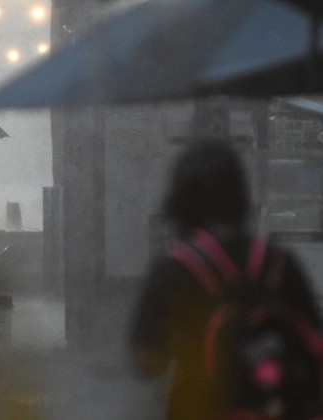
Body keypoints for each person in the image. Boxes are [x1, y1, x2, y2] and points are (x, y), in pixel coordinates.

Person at [130, 140, 323, 419]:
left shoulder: (174, 269)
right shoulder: (280, 263)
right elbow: (314, 343)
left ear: (181, 201)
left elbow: (147, 362)